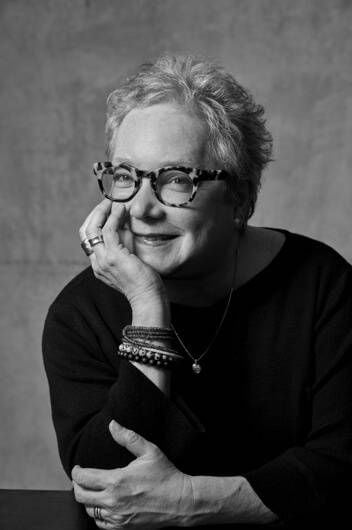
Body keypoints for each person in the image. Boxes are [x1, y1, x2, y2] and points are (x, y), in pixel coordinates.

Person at [42, 55, 352, 529]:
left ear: (241, 198)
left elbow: (343, 465)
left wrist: (193, 500)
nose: (142, 209)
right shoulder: (79, 313)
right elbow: (105, 482)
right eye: (125, 177)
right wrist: (148, 309)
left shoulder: (324, 286)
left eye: (177, 179)